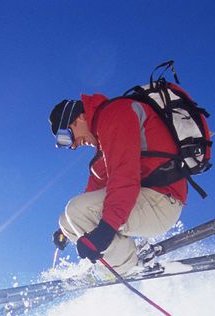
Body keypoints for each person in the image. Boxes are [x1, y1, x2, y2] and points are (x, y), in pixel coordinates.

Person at [49, 93, 188, 275]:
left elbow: (124, 177)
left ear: (80, 117)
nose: (73, 145)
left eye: (67, 136)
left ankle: (126, 265)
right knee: (67, 219)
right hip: (145, 201)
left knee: (76, 210)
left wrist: (105, 231)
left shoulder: (115, 114)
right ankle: (112, 262)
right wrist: (65, 231)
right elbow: (95, 190)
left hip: (161, 200)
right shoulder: (104, 139)